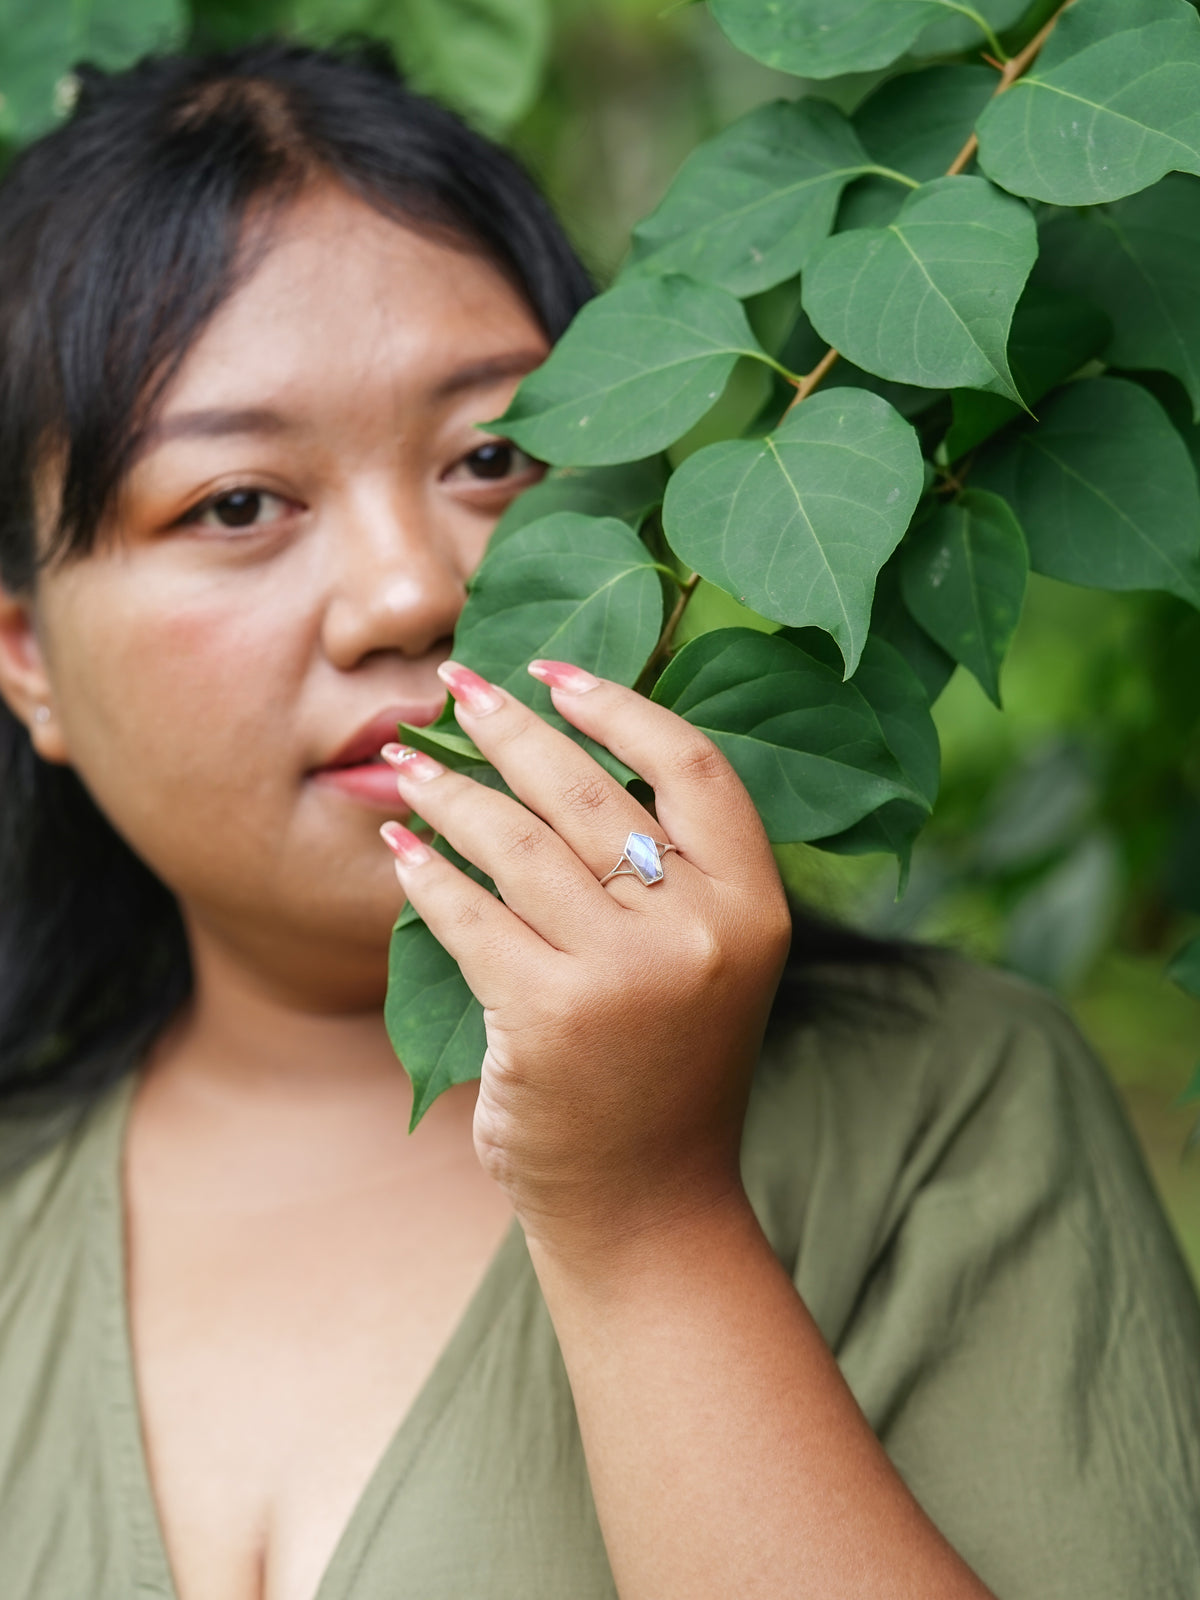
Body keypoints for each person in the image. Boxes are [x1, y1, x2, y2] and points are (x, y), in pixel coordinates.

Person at [0, 38, 1196, 1600]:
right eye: (237, 502)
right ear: (28, 661)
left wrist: (645, 1214)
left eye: (492, 456)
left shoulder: (950, 1111)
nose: (415, 590)